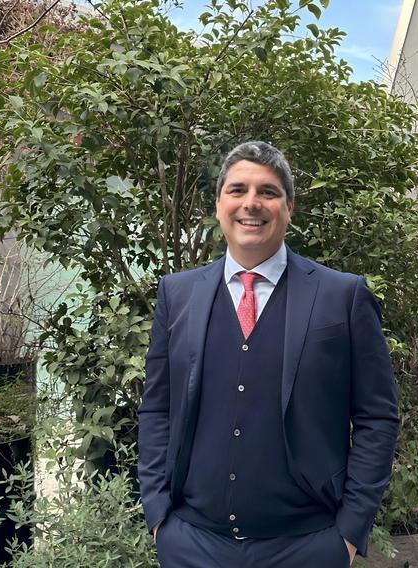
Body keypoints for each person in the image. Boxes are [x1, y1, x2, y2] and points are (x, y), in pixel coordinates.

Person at [138, 141, 399, 567]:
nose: (251, 203)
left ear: (289, 207)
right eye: (237, 190)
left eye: (268, 192)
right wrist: (159, 518)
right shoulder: (177, 294)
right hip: (192, 545)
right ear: (219, 205)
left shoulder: (342, 296)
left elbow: (377, 416)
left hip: (307, 546)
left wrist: (349, 533)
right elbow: (156, 408)